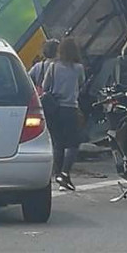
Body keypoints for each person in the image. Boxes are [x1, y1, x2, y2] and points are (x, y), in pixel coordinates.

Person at [42, 37, 85, 191]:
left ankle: (59, 175)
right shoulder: (78, 68)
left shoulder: (53, 67)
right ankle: (65, 173)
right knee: (73, 143)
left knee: (58, 143)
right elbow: (82, 83)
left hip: (54, 109)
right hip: (70, 108)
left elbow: (45, 86)